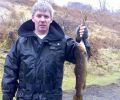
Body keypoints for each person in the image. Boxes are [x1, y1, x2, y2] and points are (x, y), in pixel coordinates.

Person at [2, 1, 91, 100]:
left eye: (46, 16)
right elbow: (10, 71)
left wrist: (82, 39)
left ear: (51, 19)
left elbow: (83, 58)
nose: (42, 19)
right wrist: (7, 96)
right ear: (33, 18)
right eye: (39, 16)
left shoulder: (63, 41)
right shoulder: (21, 42)